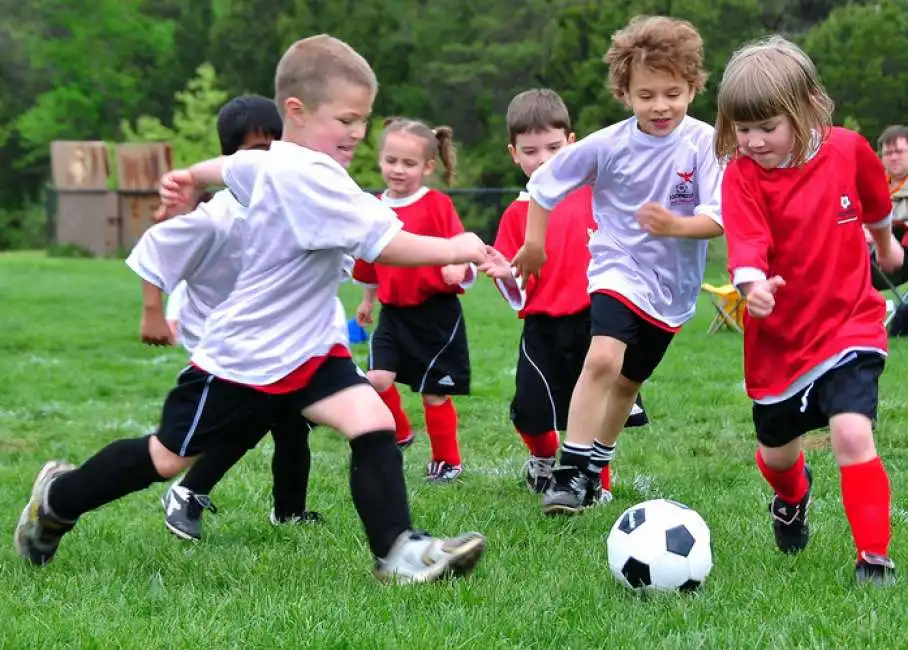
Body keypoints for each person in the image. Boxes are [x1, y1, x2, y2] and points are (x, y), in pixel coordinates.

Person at [15, 34, 488, 584]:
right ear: (297, 111)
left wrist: (191, 174)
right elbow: (385, 246)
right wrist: (459, 246)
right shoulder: (306, 175)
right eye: (347, 118)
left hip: (307, 348)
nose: (359, 132)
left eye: (364, 119)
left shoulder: (282, 162)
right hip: (248, 357)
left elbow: (234, 167)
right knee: (168, 457)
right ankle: (58, 500)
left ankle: (399, 553)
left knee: (372, 421)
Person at [511, 16, 723, 515]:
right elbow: (543, 184)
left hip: (673, 289)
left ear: (693, 87)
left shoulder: (706, 144)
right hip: (616, 267)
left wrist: (675, 226)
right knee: (603, 358)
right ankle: (569, 471)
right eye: (646, 95)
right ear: (624, 94)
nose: (660, 106)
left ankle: (592, 465)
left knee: (629, 383)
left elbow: (717, 218)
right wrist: (535, 243)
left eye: (672, 92)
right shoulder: (609, 145)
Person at [717, 36, 901, 585]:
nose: (752, 141)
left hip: (850, 323)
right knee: (776, 457)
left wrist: (886, 247)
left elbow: (877, 205)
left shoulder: (848, 150)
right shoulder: (742, 175)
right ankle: (793, 496)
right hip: (778, 343)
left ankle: (874, 558)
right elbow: (745, 243)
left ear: (805, 109)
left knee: (850, 432)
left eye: (766, 127)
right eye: (742, 129)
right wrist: (752, 286)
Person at [127, 95, 322, 543]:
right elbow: (155, 249)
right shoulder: (216, 217)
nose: (265, 161)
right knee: (258, 414)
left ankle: (288, 512)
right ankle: (188, 492)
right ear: (228, 158)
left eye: (274, 149)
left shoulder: (286, 206)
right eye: (255, 151)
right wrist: (156, 313)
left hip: (265, 336)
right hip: (219, 338)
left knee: (292, 422)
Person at [479, 88, 648, 497]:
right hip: (543, 329)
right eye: (530, 151)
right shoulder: (518, 213)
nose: (543, 160)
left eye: (553, 148)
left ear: (573, 143)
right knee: (530, 414)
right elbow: (517, 294)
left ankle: (594, 482)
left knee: (597, 409)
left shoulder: (598, 195)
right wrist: (505, 273)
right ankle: (542, 458)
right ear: (513, 154)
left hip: (598, 323)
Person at [353, 118, 474, 482]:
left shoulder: (436, 204)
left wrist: (458, 265)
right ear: (380, 160)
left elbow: (462, 245)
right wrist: (367, 300)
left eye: (408, 163)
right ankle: (399, 433)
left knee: (433, 394)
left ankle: (447, 460)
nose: (398, 170)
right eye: (391, 161)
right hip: (393, 313)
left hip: (436, 315)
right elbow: (372, 261)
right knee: (375, 379)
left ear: (428, 167)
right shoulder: (374, 207)